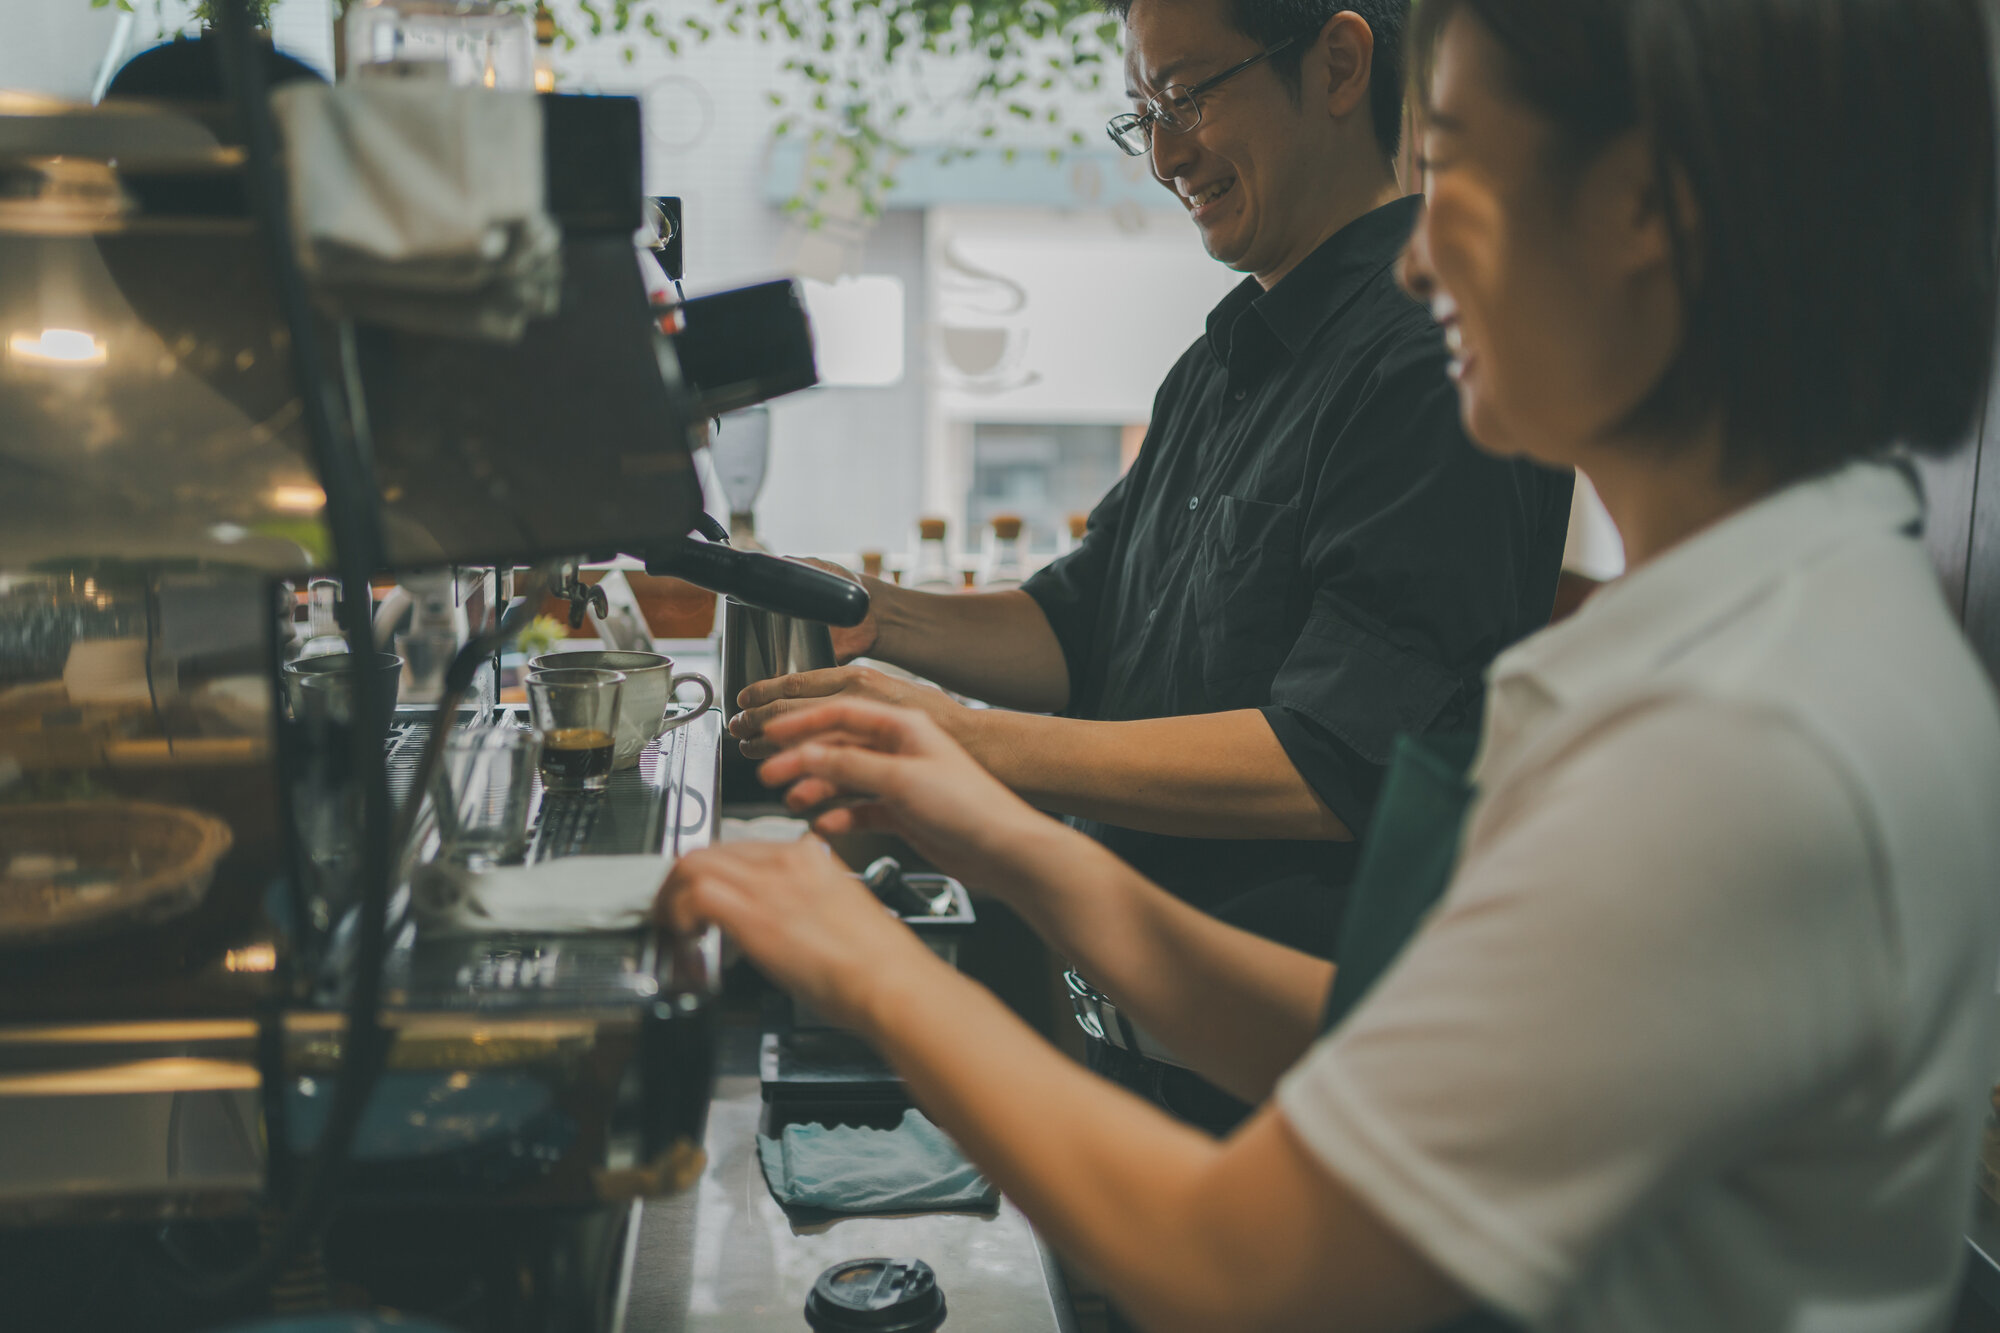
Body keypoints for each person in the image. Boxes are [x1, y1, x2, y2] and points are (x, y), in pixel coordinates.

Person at [662, 0, 2000, 1327]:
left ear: (1643, 208)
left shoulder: (1738, 738)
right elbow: (1389, 1037)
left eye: (1461, 162)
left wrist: (871, 969)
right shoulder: (1788, 628)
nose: (1419, 264)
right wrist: (1000, 835)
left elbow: (1252, 1261)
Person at [728, 0, 1573, 997]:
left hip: (1280, 1063)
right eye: (1143, 115)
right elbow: (1080, 626)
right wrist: (865, 608)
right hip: (1126, 1028)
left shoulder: (1425, 360)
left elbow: (1331, 757)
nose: (1164, 156)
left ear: (1339, 66)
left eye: (1187, 96)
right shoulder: (1219, 366)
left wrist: (957, 742)